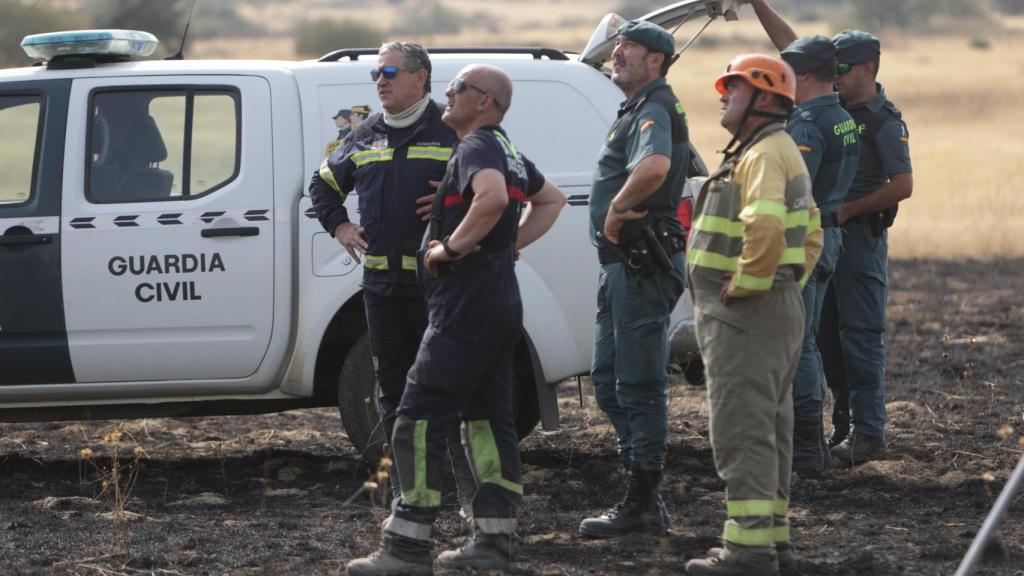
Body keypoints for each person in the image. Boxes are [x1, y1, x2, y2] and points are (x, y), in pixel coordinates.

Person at [346, 64, 566, 576]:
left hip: (465, 310)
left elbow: (490, 197)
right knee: (488, 420)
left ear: (484, 101)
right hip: (497, 303)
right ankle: (494, 539)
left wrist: (452, 245)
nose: (447, 92)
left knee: (417, 417)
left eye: (457, 88)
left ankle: (407, 545)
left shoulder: (476, 147)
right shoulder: (507, 148)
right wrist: (505, 246)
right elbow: (551, 199)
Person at [741, 1, 914, 465]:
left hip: (858, 238)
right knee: (823, 337)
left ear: (870, 68)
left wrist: (846, 210)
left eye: (845, 68)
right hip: (827, 235)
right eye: (832, 67)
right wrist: (758, 3)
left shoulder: (880, 119)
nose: (835, 74)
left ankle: (869, 431)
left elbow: (903, 186)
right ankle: (842, 427)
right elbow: (794, 50)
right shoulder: (834, 107)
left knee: (858, 335)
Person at [308, 41, 475, 506]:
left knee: (453, 390)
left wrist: (457, 192)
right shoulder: (362, 134)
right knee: (395, 395)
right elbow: (322, 184)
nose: (379, 80)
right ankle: (411, 496)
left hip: (441, 290)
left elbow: (499, 187)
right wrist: (339, 224)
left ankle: (469, 498)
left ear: (420, 78)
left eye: (389, 72)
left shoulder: (453, 130)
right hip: (381, 292)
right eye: (375, 74)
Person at [684, 54, 822, 576]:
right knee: (769, 428)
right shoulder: (772, 149)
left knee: (742, 430)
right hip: (771, 309)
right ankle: (773, 543)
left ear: (764, 99)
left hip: (747, 314)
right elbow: (812, 236)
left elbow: (764, 228)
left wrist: (750, 282)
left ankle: (746, 553)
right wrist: (784, 284)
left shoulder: (763, 154)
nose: (722, 95)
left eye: (733, 87)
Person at [578, 19, 689, 540]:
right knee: (607, 379)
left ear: (656, 61)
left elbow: (655, 167)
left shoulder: (655, 109)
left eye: (631, 48)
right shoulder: (636, 107)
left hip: (641, 265)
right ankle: (643, 492)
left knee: (639, 384)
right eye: (618, 46)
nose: (617, 53)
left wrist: (617, 210)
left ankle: (642, 501)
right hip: (620, 267)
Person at [746, 2, 861, 473]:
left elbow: (797, 188)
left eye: (789, 71)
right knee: (807, 338)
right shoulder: (841, 116)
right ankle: (808, 442)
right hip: (831, 233)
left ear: (806, 75)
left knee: (800, 342)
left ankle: (808, 446)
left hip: (808, 241)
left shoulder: (810, 124)